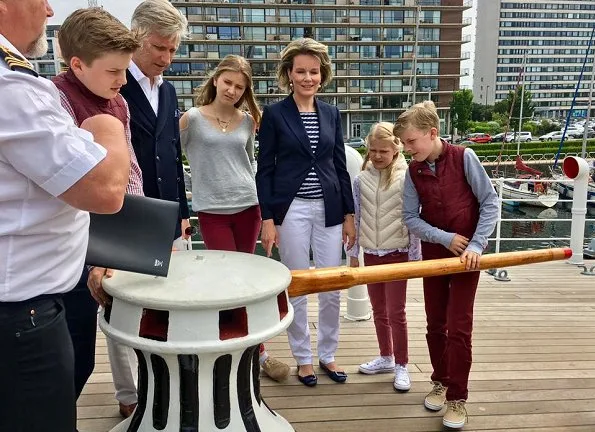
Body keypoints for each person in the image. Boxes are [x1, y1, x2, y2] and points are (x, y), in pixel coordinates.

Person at [0, 0, 130, 430]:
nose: (49, 10)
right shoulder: (15, 87)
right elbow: (105, 189)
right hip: (23, 313)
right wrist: (107, 130)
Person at [51, 7, 142, 410]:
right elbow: (74, 188)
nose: (122, 81)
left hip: (113, 241)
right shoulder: (54, 101)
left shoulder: (118, 103)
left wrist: (135, 227)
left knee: (99, 349)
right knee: (67, 360)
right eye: (113, 71)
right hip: (70, 251)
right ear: (76, 64)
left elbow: (131, 172)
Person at [179, 55, 290, 382]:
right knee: (223, 282)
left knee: (248, 282)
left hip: (248, 206)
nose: (231, 89)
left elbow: (250, 164)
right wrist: (182, 208)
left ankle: (260, 352)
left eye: (239, 86)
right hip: (211, 211)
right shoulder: (192, 119)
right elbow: (172, 162)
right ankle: (229, 351)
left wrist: (267, 213)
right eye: (227, 82)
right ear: (216, 80)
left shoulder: (246, 121)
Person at [256, 38, 355, 387]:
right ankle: (303, 358)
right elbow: (264, 168)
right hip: (291, 209)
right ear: (289, 74)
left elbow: (339, 166)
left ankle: (327, 354)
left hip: (329, 209)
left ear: (322, 75)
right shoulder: (275, 114)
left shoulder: (331, 113)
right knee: (296, 285)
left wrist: (349, 214)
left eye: (314, 71)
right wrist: (267, 219)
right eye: (301, 71)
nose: (307, 77)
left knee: (331, 285)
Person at [395, 101, 499, 430]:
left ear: (432, 133)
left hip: (469, 255)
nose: (408, 150)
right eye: (405, 145)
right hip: (436, 254)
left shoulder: (465, 157)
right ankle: (439, 381)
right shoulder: (414, 171)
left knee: (459, 326)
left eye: (411, 142)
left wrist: (478, 244)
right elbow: (411, 218)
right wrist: (444, 237)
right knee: (435, 323)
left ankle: (458, 397)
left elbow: (489, 202)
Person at [111, 0, 191, 415]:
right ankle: (129, 394)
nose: (166, 58)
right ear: (138, 36)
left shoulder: (169, 89)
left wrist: (182, 213)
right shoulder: (113, 82)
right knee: (122, 304)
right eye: (160, 47)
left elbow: (172, 151)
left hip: (166, 213)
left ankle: (162, 380)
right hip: (123, 212)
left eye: (173, 50)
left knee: (165, 301)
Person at [348, 122, 421, 392]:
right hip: (372, 252)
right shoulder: (361, 178)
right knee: (378, 310)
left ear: (396, 150)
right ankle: (386, 356)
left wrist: (415, 256)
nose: (378, 156)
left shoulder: (408, 177)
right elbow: (356, 216)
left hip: (397, 252)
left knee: (396, 311)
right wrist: (353, 252)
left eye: (384, 151)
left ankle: (402, 363)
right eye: (373, 150)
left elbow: (414, 217)